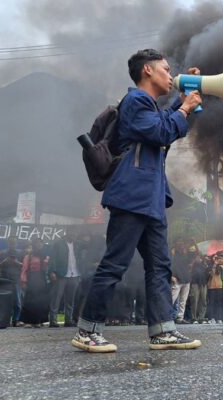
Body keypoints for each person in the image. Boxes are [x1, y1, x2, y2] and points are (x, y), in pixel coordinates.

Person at [73, 49, 203, 352]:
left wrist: (183, 98)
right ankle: (87, 330)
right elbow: (160, 131)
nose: (171, 75)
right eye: (166, 69)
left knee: (159, 266)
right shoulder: (136, 101)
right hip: (133, 194)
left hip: (152, 198)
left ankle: (163, 330)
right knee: (115, 264)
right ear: (147, 70)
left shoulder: (149, 106)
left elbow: (163, 123)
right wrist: (184, 109)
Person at [49, 233, 81, 328]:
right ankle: (53, 320)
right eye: (72, 232)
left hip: (75, 274)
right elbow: (53, 258)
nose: (74, 235)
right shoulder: (58, 244)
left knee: (70, 299)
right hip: (61, 274)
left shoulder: (77, 244)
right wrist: (52, 271)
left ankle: (68, 319)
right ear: (68, 233)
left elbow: (80, 258)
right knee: (57, 298)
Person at [20, 240, 50, 327]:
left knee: (41, 301)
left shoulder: (45, 256)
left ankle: (39, 321)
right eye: (37, 244)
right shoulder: (28, 257)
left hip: (42, 278)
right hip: (32, 279)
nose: (39, 245)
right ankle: (28, 321)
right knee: (30, 300)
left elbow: (47, 268)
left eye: (41, 244)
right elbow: (24, 269)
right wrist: (24, 281)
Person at [0, 237, 24, 327]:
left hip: (16, 279)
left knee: (17, 301)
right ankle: (4, 319)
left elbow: (25, 266)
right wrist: (4, 262)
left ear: (17, 243)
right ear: (7, 243)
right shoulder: (2, 253)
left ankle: (16, 320)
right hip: (4, 278)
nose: (12, 244)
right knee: (4, 300)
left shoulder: (21, 253)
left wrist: (16, 262)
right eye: (11, 242)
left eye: (14, 242)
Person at [171, 238, 192, 324]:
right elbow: (169, 264)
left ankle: (180, 317)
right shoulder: (172, 253)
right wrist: (171, 275)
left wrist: (185, 252)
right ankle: (165, 317)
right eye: (179, 241)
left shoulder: (184, 253)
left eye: (182, 242)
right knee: (171, 298)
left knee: (183, 300)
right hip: (176, 278)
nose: (181, 243)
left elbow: (190, 262)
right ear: (175, 243)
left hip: (186, 279)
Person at [188, 244, 208, 323]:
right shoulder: (192, 263)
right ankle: (194, 318)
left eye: (200, 257)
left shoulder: (204, 263)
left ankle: (201, 318)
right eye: (197, 257)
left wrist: (195, 243)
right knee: (194, 301)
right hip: (195, 283)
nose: (199, 258)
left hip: (203, 283)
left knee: (203, 301)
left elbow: (199, 252)